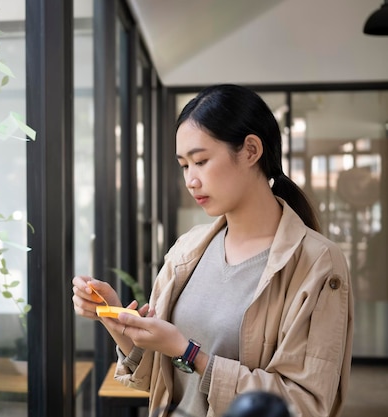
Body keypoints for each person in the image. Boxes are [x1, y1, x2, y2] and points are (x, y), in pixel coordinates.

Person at [72, 84, 353, 417]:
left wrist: (190, 353)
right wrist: (119, 323)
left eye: (201, 161)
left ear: (250, 150)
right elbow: (162, 378)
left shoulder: (318, 263)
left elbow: (305, 405)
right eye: (184, 166)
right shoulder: (188, 248)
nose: (190, 180)